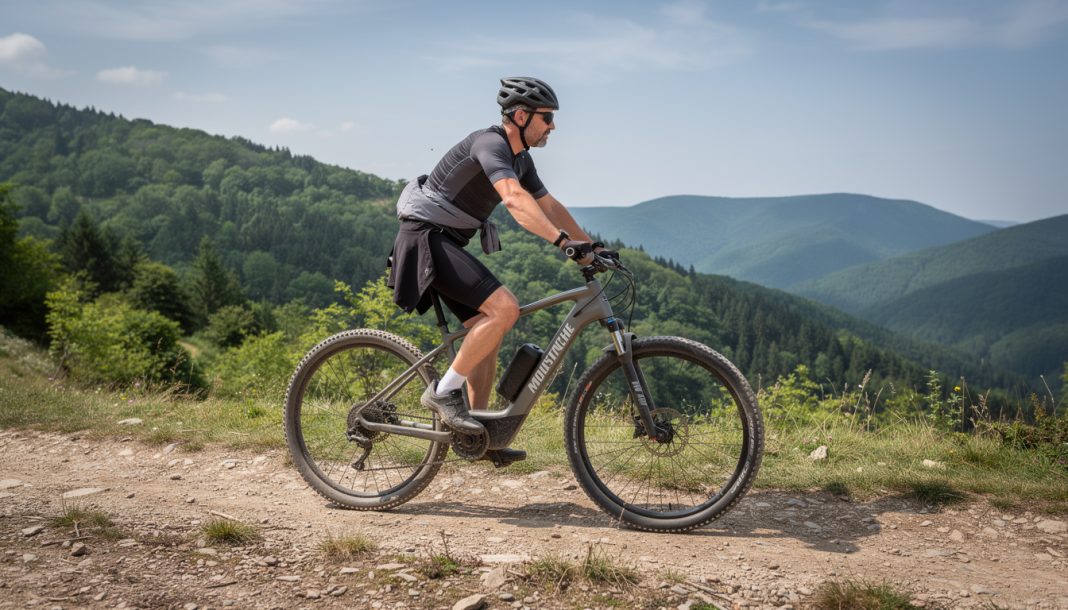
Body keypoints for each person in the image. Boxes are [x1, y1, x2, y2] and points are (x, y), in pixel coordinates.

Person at [387, 77, 613, 466]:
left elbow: (549, 204)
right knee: (504, 309)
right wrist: (562, 244)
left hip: (445, 242)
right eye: (547, 118)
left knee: (485, 331)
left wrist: (591, 246)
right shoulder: (490, 144)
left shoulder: (521, 159)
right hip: (425, 239)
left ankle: (479, 433)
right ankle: (444, 392)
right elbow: (513, 198)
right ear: (521, 116)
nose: (553, 127)